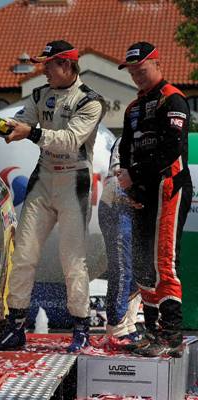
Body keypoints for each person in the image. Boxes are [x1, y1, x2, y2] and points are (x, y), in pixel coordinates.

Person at [0, 40, 105, 352]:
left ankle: (81, 328)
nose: (43, 70)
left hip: (73, 179)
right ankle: (16, 327)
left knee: (73, 260)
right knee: (24, 255)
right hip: (43, 178)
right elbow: (18, 127)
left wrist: (29, 132)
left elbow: (69, 140)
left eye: (48, 64)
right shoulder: (40, 95)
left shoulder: (91, 101)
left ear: (65, 65)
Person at [117, 42, 193, 357]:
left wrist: (134, 175)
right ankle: (151, 332)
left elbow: (171, 151)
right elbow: (125, 151)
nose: (136, 75)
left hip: (169, 188)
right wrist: (132, 188)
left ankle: (172, 336)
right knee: (142, 264)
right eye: (132, 71)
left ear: (157, 64)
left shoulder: (173, 99)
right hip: (143, 192)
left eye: (141, 69)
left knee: (164, 262)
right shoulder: (133, 108)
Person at [98, 137, 142, 349]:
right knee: (122, 269)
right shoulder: (127, 137)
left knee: (140, 270)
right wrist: (137, 194)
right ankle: (116, 328)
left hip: (140, 210)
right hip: (117, 205)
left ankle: (129, 325)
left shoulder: (158, 137)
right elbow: (118, 176)